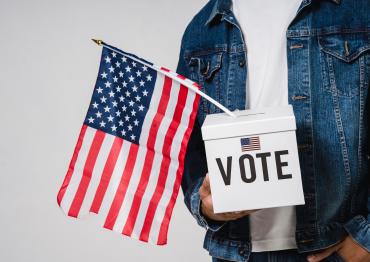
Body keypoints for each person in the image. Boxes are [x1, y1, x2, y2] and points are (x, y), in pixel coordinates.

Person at [176, 0, 370, 261]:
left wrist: (366, 240)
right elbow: (187, 143)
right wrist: (204, 204)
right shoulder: (203, 29)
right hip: (236, 253)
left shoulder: (358, 13)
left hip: (334, 248)